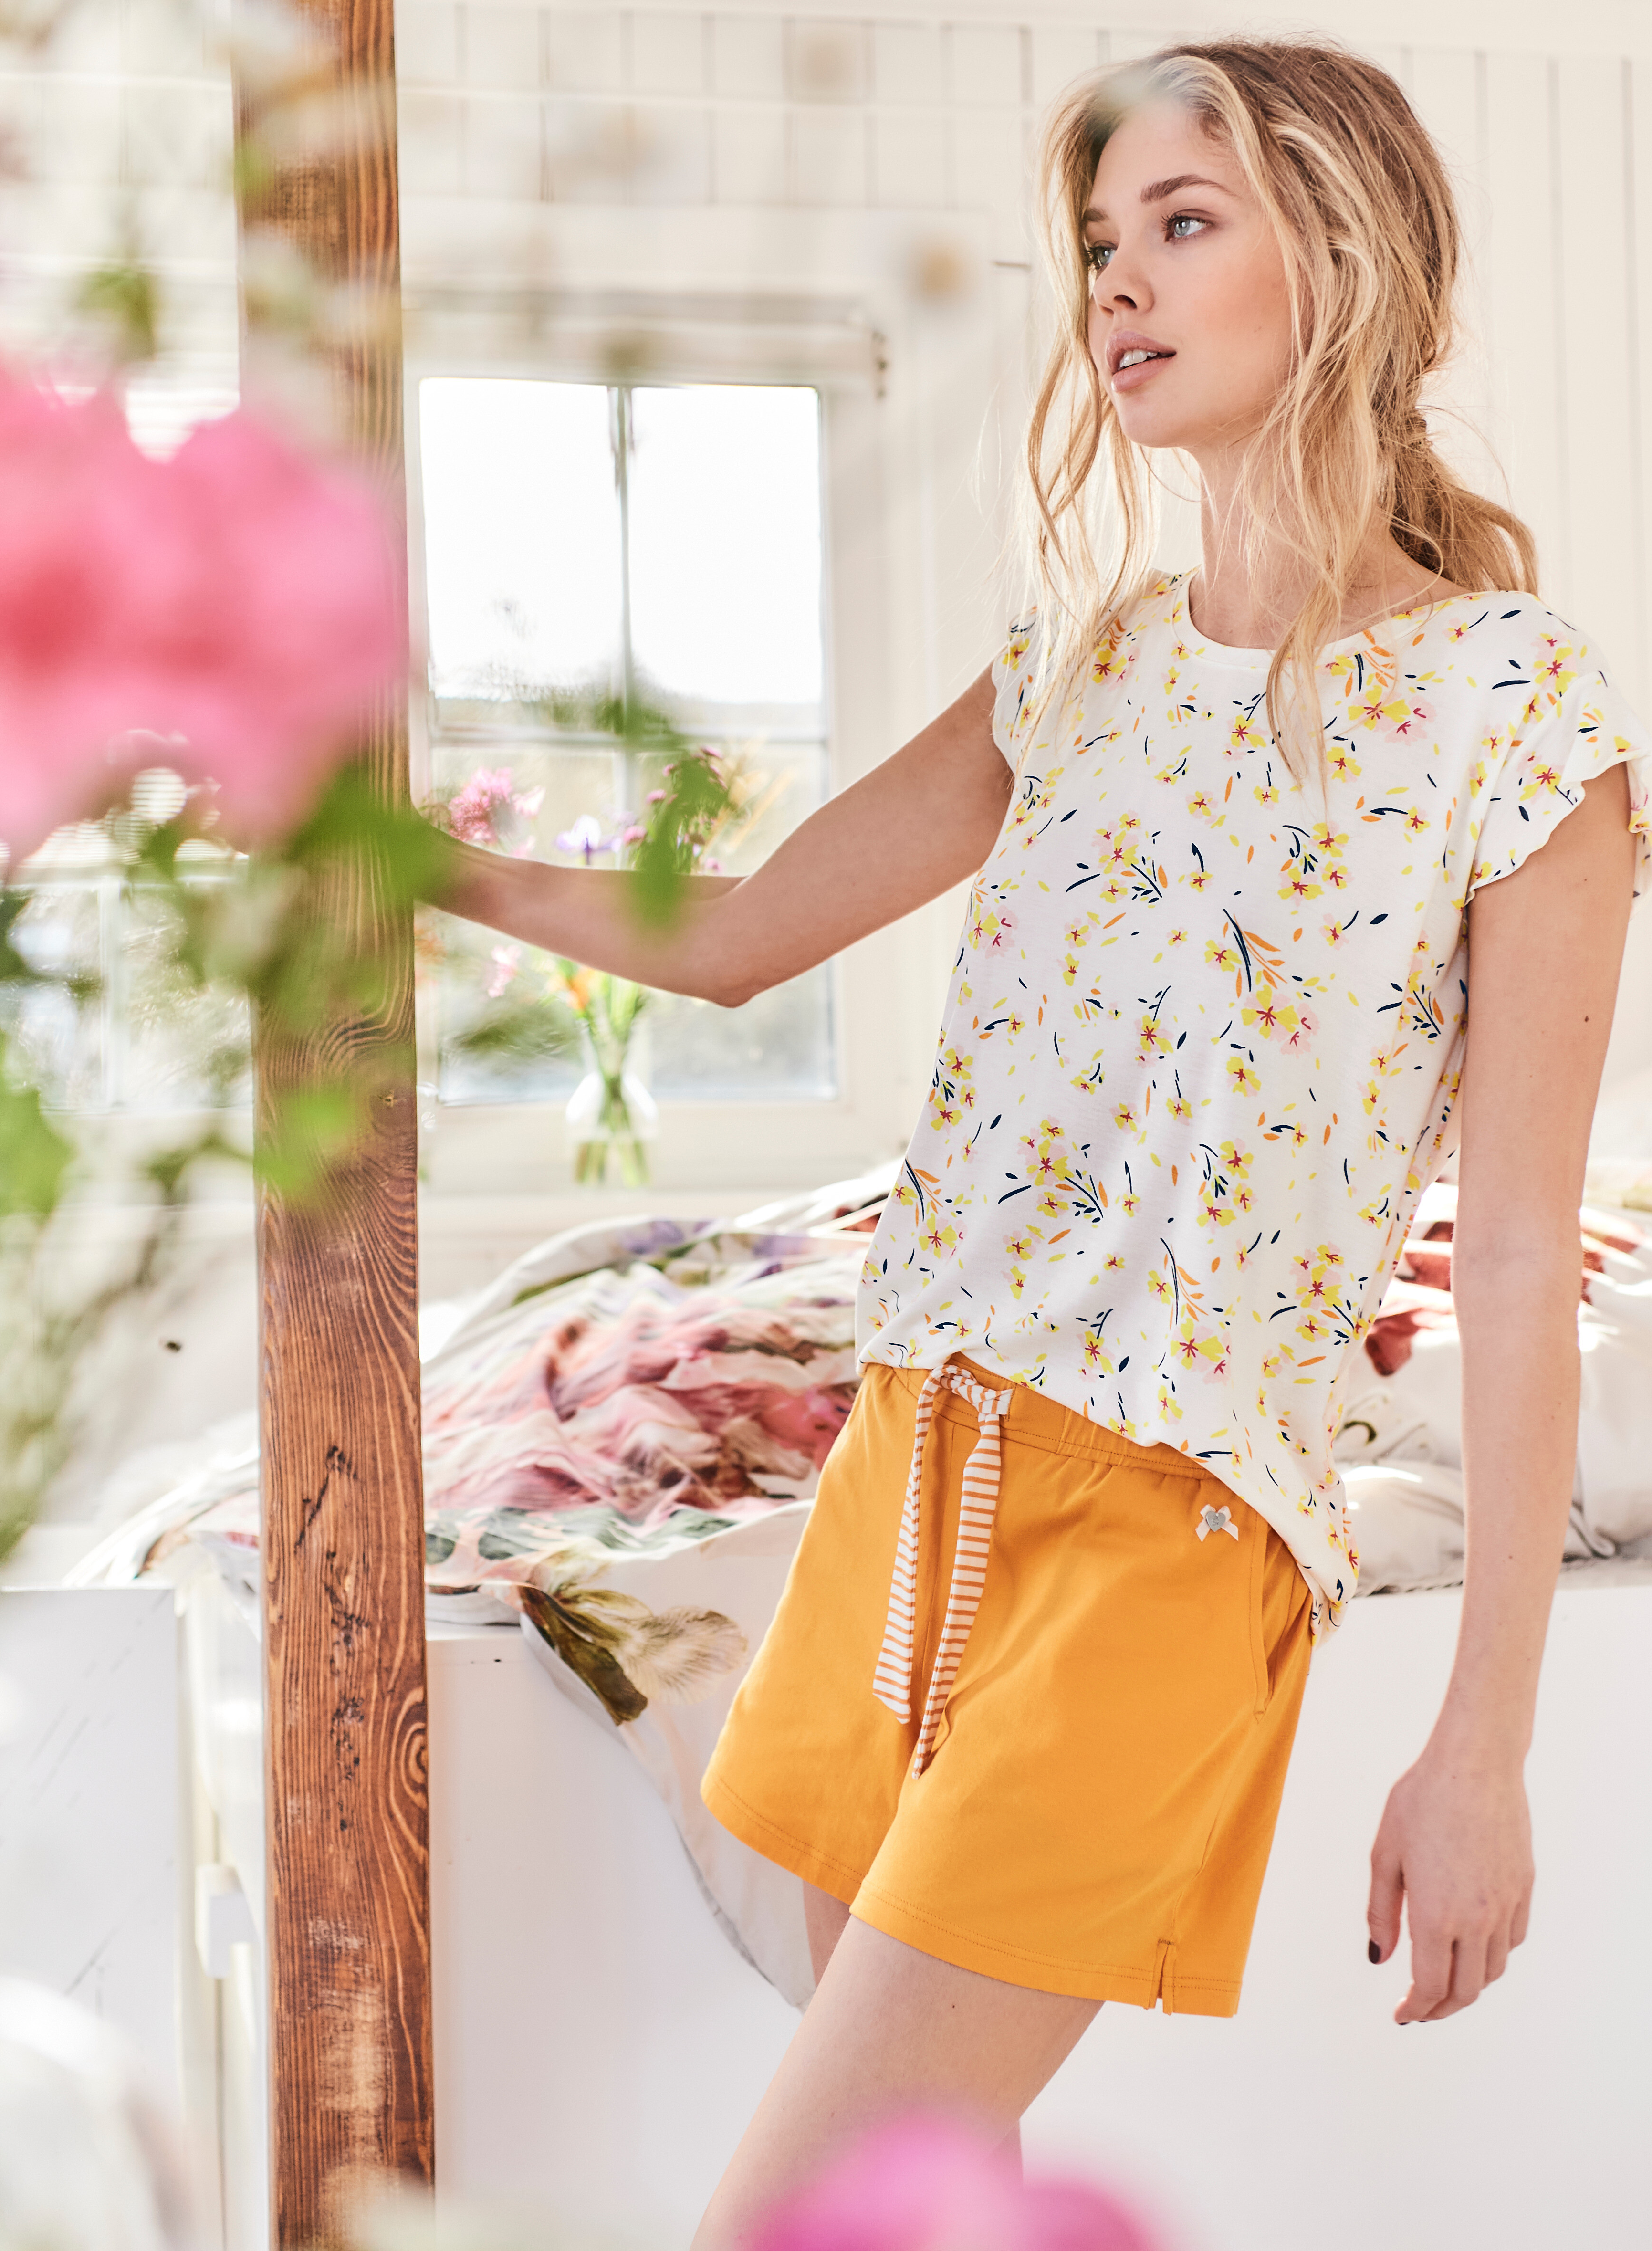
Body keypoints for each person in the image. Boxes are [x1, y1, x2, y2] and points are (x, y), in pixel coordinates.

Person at [440, 37, 1649, 2246]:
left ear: (1345, 258)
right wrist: (401, 855)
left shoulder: (1511, 706)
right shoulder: (1075, 666)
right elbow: (726, 939)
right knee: (927, 2217)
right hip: (913, 1480)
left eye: (1183, 223)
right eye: (1100, 242)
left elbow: (1506, 1253)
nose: (1119, 283)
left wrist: (1483, 1742)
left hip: (1170, 1542)